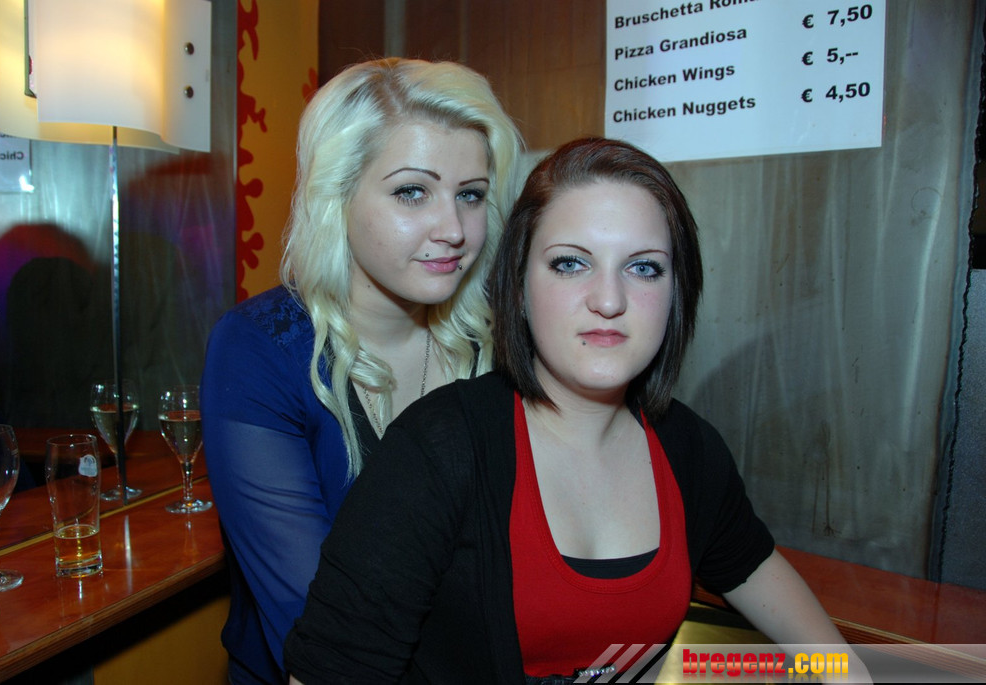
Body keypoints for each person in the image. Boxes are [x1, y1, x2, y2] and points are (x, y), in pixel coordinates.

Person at [283, 138, 854, 683]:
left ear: (677, 294)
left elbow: (761, 577)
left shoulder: (691, 450)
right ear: (517, 286)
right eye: (570, 264)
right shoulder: (437, 452)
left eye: (643, 268)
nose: (609, 300)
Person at [200, 58, 526, 684]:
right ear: (337, 195)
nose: (454, 229)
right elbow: (315, 628)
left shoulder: (503, 345)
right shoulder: (258, 349)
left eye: (471, 194)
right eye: (412, 192)